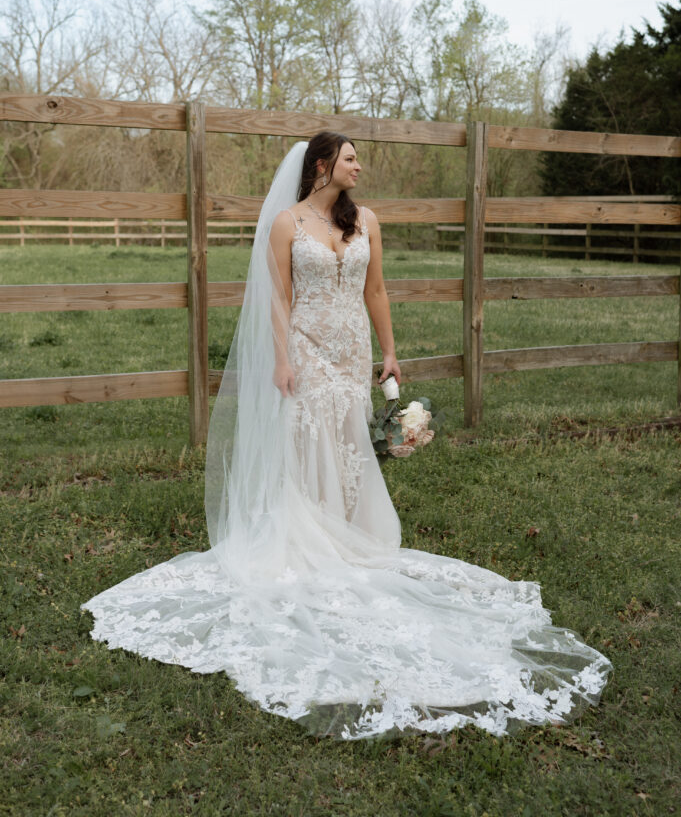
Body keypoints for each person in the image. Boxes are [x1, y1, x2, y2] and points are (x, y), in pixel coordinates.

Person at [82, 134, 611, 739]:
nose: (362, 165)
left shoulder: (368, 222)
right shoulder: (285, 224)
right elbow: (277, 298)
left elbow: (376, 290)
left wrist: (390, 353)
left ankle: (348, 529)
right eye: (352, 157)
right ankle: (308, 530)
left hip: (351, 347)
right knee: (308, 435)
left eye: (360, 157)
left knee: (347, 438)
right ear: (323, 165)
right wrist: (282, 360)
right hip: (305, 347)